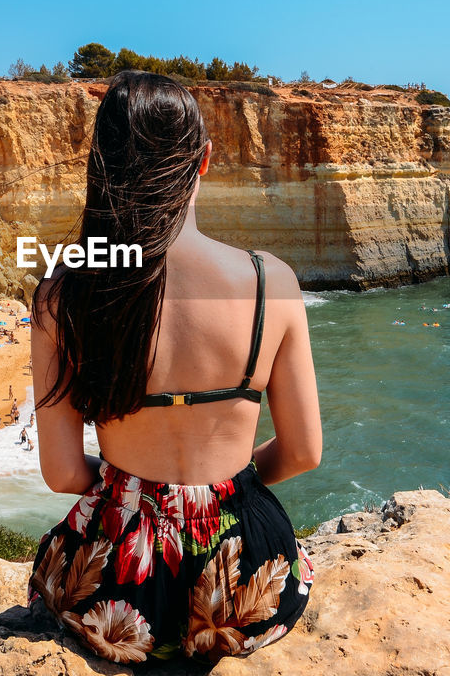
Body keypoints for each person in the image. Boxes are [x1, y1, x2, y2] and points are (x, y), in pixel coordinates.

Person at [28, 72, 322, 665]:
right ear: (204, 159)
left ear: (102, 163)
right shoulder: (270, 282)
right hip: (242, 578)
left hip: (118, 584)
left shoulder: (63, 296)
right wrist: (222, 495)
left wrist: (135, 496)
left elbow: (62, 473)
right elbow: (303, 453)